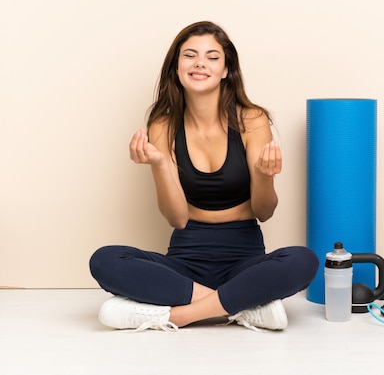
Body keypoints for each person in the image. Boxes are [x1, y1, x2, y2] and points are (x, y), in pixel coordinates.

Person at [89, 21, 319, 332]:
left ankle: (176, 315)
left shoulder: (252, 119)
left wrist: (265, 177)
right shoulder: (163, 125)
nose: (200, 63)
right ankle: (241, 307)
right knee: (104, 260)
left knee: (303, 260)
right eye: (190, 55)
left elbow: (264, 212)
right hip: (185, 262)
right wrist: (159, 164)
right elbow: (177, 218)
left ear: (226, 69)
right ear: (176, 67)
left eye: (212, 57)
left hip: (243, 260)